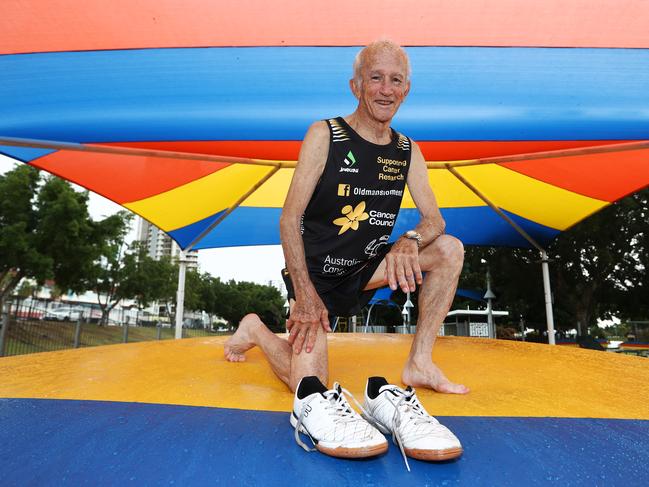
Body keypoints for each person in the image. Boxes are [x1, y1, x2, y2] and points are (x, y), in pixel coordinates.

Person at [224, 40, 466, 463]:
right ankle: (257, 332)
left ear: (407, 89)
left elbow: (435, 222)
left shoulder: (408, 151)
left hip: (370, 268)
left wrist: (408, 242)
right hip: (316, 279)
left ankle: (420, 362)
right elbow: (289, 219)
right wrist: (304, 293)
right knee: (313, 387)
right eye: (376, 78)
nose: (386, 89)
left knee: (448, 249)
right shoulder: (326, 134)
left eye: (396, 80)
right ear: (356, 85)